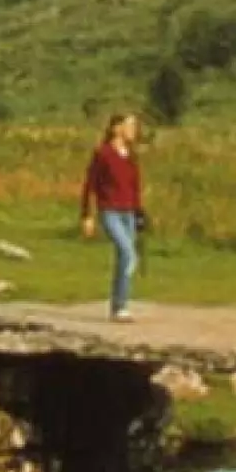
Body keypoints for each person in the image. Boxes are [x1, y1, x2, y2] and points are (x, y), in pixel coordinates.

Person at [80, 112, 144, 322]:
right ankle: (120, 305)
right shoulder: (104, 154)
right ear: (117, 128)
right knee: (128, 254)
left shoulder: (131, 156)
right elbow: (90, 184)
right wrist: (87, 215)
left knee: (122, 259)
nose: (134, 130)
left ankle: (119, 306)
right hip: (110, 211)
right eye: (130, 126)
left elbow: (134, 187)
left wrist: (139, 212)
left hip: (128, 212)